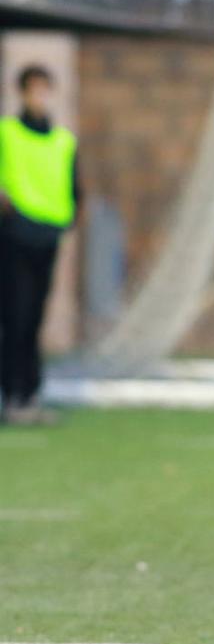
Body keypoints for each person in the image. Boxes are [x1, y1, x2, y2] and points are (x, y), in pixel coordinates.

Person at [0, 65, 80, 425]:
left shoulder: (63, 141)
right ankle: (12, 395)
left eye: (45, 89)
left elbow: (74, 187)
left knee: (34, 317)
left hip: (47, 237)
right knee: (15, 315)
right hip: (15, 235)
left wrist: (68, 218)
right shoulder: (7, 133)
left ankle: (31, 393)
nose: (40, 96)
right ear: (22, 93)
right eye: (33, 89)